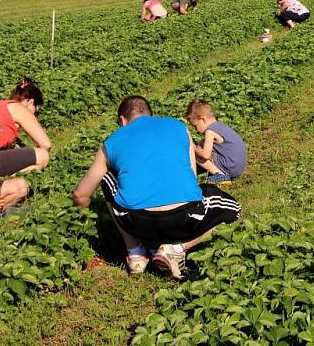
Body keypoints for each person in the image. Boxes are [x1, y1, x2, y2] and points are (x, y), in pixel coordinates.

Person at [71, 96, 241, 279]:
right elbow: (192, 178)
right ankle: (176, 248)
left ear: (122, 121)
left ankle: (135, 252)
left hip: (138, 222)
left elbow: (80, 195)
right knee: (234, 210)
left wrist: (85, 220)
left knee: (106, 176)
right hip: (185, 218)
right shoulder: (178, 127)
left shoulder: (112, 141)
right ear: (150, 114)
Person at [184, 99, 247, 184]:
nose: (195, 129)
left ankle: (221, 176)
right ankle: (217, 174)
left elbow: (205, 155)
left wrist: (193, 147)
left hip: (231, 167)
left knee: (198, 156)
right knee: (203, 146)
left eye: (195, 126)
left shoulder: (210, 131)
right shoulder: (220, 126)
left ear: (203, 119)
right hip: (238, 167)